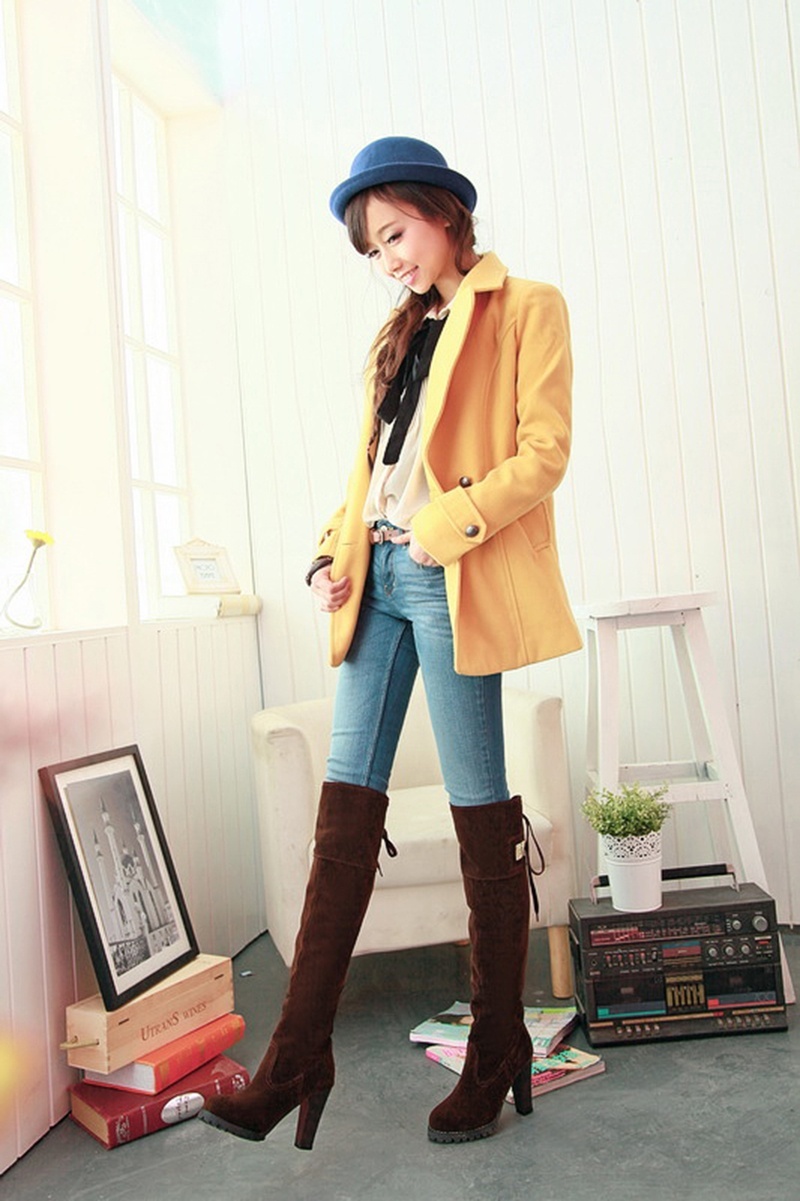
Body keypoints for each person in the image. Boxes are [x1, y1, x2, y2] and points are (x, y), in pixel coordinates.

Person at [199, 136, 581, 1148]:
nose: (388, 261)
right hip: (373, 579)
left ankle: (496, 1044)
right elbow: (369, 472)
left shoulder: (525, 307)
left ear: (444, 213)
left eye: (395, 235)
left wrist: (442, 524)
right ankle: (294, 1058)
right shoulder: (396, 334)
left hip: (452, 576)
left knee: (479, 807)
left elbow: (543, 453)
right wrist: (331, 553)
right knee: (343, 809)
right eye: (373, 249)